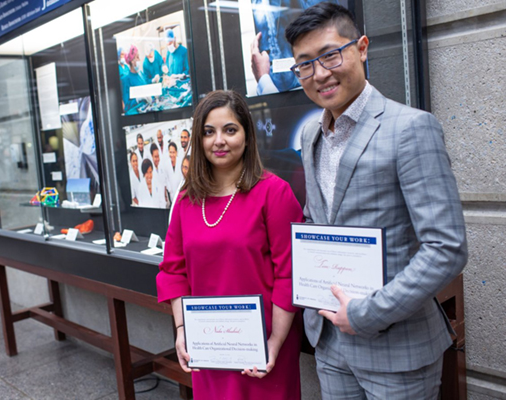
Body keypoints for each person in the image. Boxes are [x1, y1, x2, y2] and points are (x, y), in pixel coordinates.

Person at [286, 3, 467, 399]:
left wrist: (367, 313)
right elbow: (318, 224)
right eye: (305, 64)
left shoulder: (410, 128)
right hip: (330, 342)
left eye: (331, 54)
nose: (319, 74)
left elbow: (446, 248)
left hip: (396, 349)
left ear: (362, 48)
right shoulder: (310, 137)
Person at [156, 90, 303, 399]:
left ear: (247, 136)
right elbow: (173, 271)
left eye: (230, 130)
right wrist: (182, 331)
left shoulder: (274, 193)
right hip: (209, 348)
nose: (218, 140)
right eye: (209, 132)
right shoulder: (186, 200)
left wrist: (273, 343)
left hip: (262, 348)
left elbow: (289, 276)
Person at [121, 44, 148, 113]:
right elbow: (126, 106)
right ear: (132, 61)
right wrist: (137, 99)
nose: (139, 59)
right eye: (137, 57)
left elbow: (147, 85)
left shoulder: (140, 73)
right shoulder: (126, 80)